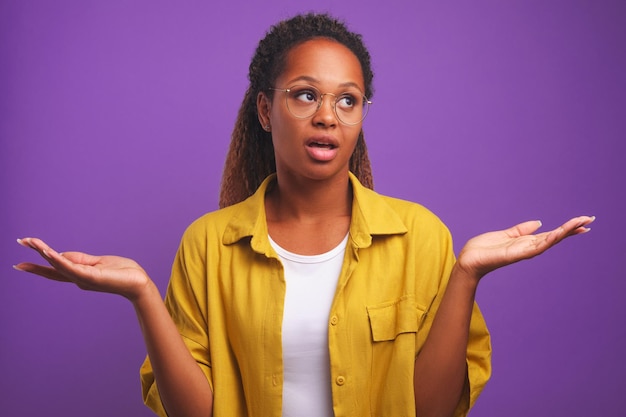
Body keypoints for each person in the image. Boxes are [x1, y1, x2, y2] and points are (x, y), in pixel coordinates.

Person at [14, 13, 594, 417]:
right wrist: (141, 292)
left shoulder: (421, 236)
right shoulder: (208, 244)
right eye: (304, 94)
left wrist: (466, 273)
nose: (328, 116)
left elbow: (432, 410)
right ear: (267, 109)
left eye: (348, 99)